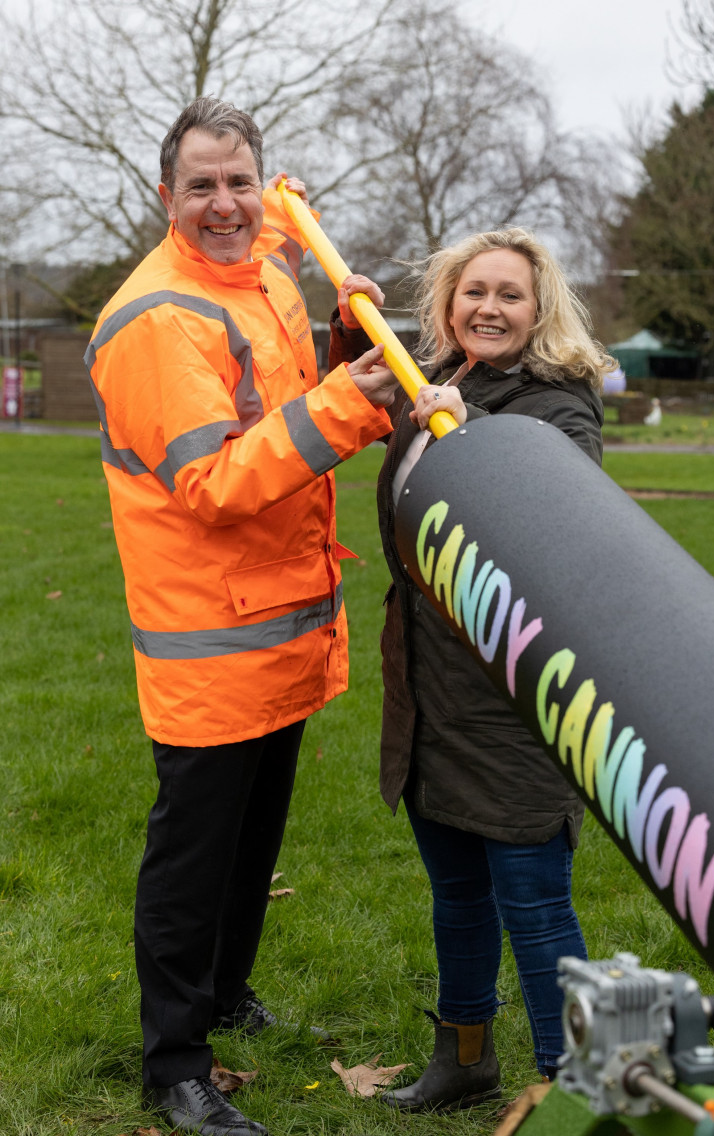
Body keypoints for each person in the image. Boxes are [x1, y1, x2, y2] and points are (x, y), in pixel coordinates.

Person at [85, 96, 398, 1136]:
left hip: (280, 622)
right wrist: (351, 403)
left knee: (251, 838)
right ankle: (175, 1062)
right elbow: (217, 480)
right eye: (201, 185)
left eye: (238, 181)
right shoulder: (157, 318)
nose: (224, 203)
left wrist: (345, 334)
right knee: (193, 855)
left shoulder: (263, 270)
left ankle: (225, 994)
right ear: (163, 194)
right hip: (209, 636)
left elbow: (279, 394)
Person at [365, 228, 612, 1111]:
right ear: (448, 302)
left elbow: (566, 513)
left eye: (510, 294)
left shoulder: (557, 404)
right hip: (431, 690)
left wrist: (481, 443)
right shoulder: (444, 383)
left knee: (535, 903)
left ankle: (570, 1092)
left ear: (540, 309)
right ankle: (465, 1059)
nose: (490, 309)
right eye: (475, 292)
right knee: (458, 893)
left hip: (517, 695)